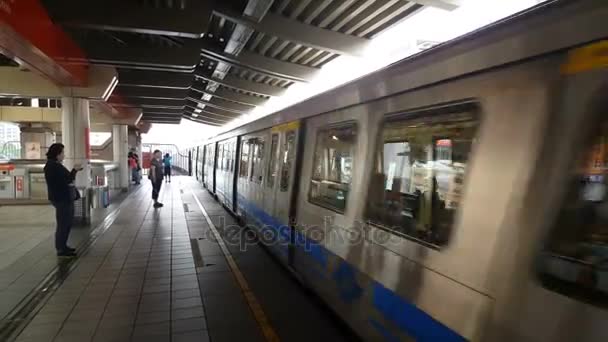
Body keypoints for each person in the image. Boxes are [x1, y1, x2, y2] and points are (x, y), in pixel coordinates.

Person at [43, 143, 83, 258]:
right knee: (63, 224)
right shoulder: (52, 166)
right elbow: (65, 180)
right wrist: (74, 171)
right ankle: (61, 248)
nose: (64, 155)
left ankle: (63, 246)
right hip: (61, 198)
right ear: (57, 154)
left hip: (63, 198)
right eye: (62, 153)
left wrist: (74, 172)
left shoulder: (55, 165)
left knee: (66, 223)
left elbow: (65, 179)